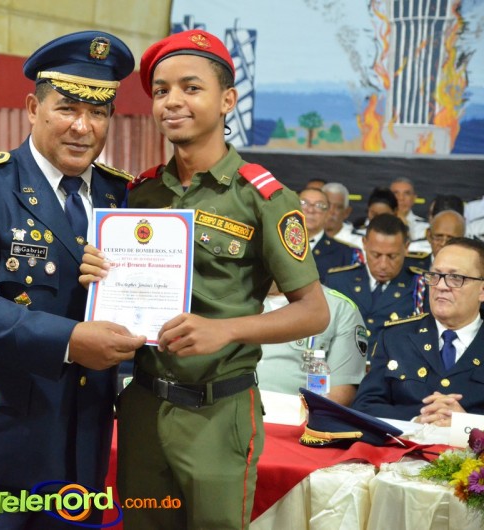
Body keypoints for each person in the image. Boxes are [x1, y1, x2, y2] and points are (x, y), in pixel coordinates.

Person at [82, 29, 329, 529]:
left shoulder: (263, 198)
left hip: (219, 413)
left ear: (227, 101)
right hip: (143, 406)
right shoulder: (140, 194)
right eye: (161, 91)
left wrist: (226, 330)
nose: (172, 101)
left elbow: (313, 311)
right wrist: (98, 276)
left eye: (191, 88)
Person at [0, 31, 145, 530]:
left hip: (82, 447)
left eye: (98, 113)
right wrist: (71, 341)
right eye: (67, 108)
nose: (82, 127)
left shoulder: (122, 197)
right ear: (32, 108)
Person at [353, 238, 484, 425]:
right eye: (435, 275)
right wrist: (416, 420)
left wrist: (466, 424)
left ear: (482, 290)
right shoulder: (395, 337)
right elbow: (364, 406)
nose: (440, 286)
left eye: (456, 278)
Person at [258, 282, 367, 406]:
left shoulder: (339, 308)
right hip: (241, 407)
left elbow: (340, 394)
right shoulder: (241, 302)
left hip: (296, 414)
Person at [326, 213, 425, 347]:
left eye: (392, 256)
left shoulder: (420, 288)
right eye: (376, 255)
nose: (383, 265)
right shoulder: (338, 282)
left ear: (406, 248)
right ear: (364, 244)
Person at [300, 187, 362, 283]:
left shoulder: (346, 253)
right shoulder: (277, 245)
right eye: (304, 203)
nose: (311, 210)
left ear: (328, 213)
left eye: (319, 205)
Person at [390, 177, 429, 243]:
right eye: (396, 193)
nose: (401, 198)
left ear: (414, 198)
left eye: (406, 193)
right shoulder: (374, 224)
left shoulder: (425, 228)